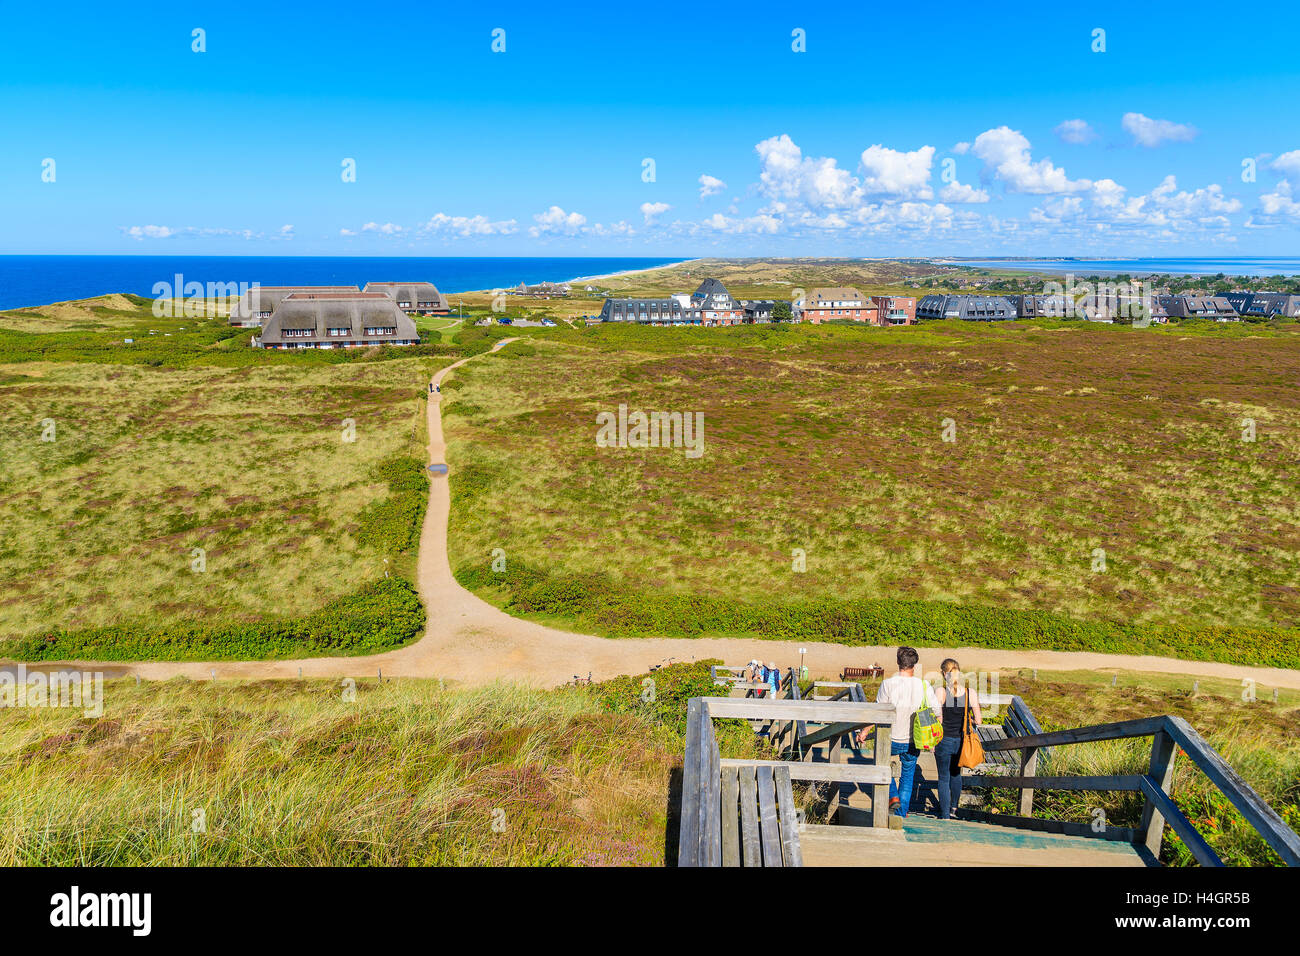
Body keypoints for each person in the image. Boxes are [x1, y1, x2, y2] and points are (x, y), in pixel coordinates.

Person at [856, 646, 936, 824]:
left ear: (898, 662)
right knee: (908, 775)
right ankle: (900, 815)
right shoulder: (924, 686)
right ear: (914, 664)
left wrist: (865, 731)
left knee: (882, 763)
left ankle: (892, 796)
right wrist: (932, 738)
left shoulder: (888, 684)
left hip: (890, 736)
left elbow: (878, 712)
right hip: (915, 739)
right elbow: (936, 712)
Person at [934, 658, 982, 820]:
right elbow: (979, 720)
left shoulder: (941, 692)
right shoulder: (970, 693)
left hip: (943, 739)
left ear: (943, 673)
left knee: (943, 777)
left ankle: (945, 814)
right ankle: (954, 809)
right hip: (962, 741)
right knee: (956, 774)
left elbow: (937, 719)